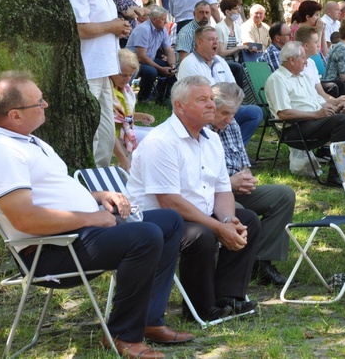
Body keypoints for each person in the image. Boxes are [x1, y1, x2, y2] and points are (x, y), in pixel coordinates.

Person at [0, 71, 192, 358]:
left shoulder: (27, 142)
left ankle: (148, 320)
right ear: (14, 115)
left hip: (77, 237)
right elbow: (26, 219)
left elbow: (54, 195)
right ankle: (122, 334)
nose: (45, 105)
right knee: (145, 235)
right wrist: (91, 217)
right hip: (51, 252)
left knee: (169, 222)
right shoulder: (0, 152)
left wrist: (98, 198)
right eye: (38, 102)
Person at [128, 76, 260, 321]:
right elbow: (170, 202)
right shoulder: (162, 141)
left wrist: (229, 220)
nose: (211, 104)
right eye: (202, 100)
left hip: (196, 214)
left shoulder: (212, 140)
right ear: (179, 106)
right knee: (202, 235)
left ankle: (229, 297)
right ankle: (201, 308)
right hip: (157, 221)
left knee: (247, 220)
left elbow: (222, 189)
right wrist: (219, 227)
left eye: (211, 98)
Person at [210, 83, 295, 286]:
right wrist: (230, 183)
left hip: (236, 187)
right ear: (212, 107)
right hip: (214, 195)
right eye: (225, 113)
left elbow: (244, 163)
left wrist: (247, 178)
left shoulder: (231, 125)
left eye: (233, 113)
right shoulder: (201, 131)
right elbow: (197, 181)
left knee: (284, 195)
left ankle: (261, 260)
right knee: (238, 212)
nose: (229, 118)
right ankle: (234, 269)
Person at [61, 0, 131, 167]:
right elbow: (78, 28)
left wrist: (118, 29)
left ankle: (99, 177)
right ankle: (86, 178)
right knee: (89, 129)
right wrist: (113, 26)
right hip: (87, 67)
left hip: (102, 67)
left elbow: (99, 23)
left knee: (106, 130)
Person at [264, 41, 345, 187]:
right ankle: (337, 175)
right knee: (341, 121)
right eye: (303, 58)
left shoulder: (303, 77)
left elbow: (320, 102)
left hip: (314, 122)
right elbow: (283, 113)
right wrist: (316, 114)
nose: (306, 62)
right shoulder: (277, 79)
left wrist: (337, 107)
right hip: (295, 129)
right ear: (292, 60)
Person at [177, 26, 263, 146]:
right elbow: (196, 96)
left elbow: (234, 89)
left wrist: (228, 103)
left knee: (255, 112)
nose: (216, 42)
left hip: (225, 108)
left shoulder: (220, 61)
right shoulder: (189, 63)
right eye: (211, 39)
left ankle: (234, 150)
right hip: (203, 111)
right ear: (199, 43)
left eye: (217, 39)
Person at [109, 50, 155, 171]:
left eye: (130, 75)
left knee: (156, 136)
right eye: (123, 75)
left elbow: (125, 117)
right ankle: (128, 173)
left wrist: (141, 116)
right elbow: (108, 131)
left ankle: (129, 175)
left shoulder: (126, 89)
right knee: (150, 143)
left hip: (125, 132)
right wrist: (122, 159)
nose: (127, 79)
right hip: (111, 137)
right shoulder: (106, 91)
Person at [125, 6, 177, 104]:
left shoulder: (162, 30)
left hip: (148, 60)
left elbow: (169, 51)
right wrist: (161, 69)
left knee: (174, 69)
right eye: (163, 19)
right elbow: (141, 57)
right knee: (151, 71)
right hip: (133, 61)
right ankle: (143, 99)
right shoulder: (144, 29)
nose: (166, 22)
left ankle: (164, 99)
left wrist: (172, 65)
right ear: (154, 19)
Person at [214, 0, 248, 87]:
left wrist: (248, 48)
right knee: (238, 67)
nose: (239, 11)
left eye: (239, 8)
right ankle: (240, 94)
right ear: (227, 12)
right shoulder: (219, 27)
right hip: (222, 62)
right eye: (236, 9)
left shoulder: (237, 27)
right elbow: (220, 52)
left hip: (235, 61)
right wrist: (239, 47)